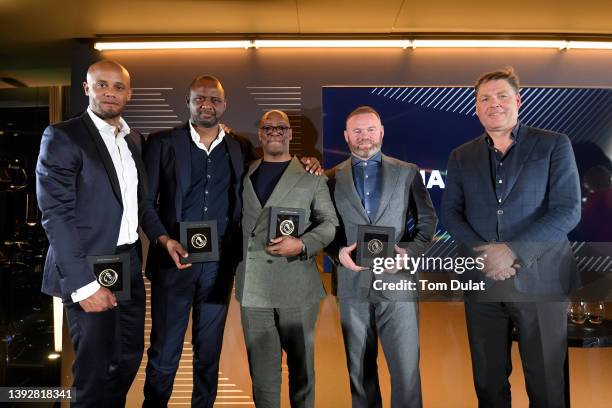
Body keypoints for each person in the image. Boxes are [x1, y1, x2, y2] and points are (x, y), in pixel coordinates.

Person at [142, 78, 322, 408]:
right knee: (164, 354)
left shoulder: (239, 147)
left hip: (219, 267)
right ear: (189, 101)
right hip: (173, 266)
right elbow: (144, 203)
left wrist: (308, 162)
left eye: (214, 99)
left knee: (208, 353)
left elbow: (275, 167)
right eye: (200, 98)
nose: (206, 104)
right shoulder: (161, 143)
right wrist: (164, 239)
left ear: (224, 105)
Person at [36, 60, 185, 408]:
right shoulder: (63, 136)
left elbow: (141, 204)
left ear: (129, 94)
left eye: (118, 87)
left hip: (127, 263)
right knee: (94, 371)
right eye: (101, 85)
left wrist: (164, 239)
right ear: (87, 89)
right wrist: (85, 285)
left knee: (128, 357)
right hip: (87, 266)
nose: (110, 93)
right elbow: (56, 216)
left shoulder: (133, 139)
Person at [442, 67, 581, 407]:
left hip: (542, 281)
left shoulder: (553, 145)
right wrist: (486, 255)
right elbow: (451, 214)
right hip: (484, 282)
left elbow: (567, 211)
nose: (494, 104)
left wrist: (512, 252)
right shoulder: (461, 156)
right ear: (476, 108)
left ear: (518, 101)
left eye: (502, 96)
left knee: (547, 383)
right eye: (485, 99)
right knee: (488, 382)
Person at [326, 106, 437, 408]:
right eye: (357, 131)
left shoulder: (407, 172)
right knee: (360, 373)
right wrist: (337, 252)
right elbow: (324, 226)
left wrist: (409, 252)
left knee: (405, 372)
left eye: (370, 129)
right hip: (352, 285)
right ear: (346, 136)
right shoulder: (331, 177)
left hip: (398, 283)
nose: (365, 137)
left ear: (381, 132)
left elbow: (427, 222)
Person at [235, 109, 338, 408]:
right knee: (263, 377)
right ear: (261, 133)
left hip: (297, 287)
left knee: (302, 371)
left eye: (281, 127)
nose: (275, 131)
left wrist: (303, 244)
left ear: (291, 134)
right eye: (268, 127)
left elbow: (330, 224)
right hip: (254, 291)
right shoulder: (245, 172)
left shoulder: (311, 176)